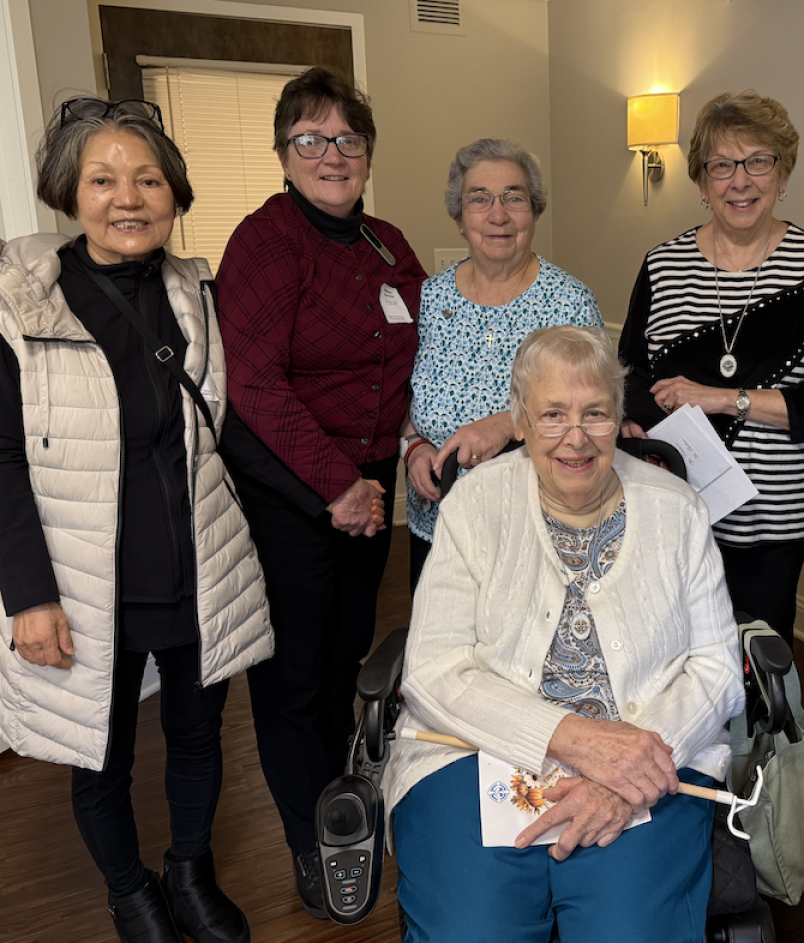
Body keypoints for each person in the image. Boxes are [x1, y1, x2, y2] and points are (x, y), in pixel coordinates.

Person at [0, 99, 272, 943]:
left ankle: (189, 871)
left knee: (197, 737)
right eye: (103, 179)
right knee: (100, 755)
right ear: (69, 193)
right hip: (88, 584)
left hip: (198, 568)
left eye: (148, 179)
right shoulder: (23, 304)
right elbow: (3, 459)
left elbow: (235, 420)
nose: (128, 198)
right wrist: (28, 595)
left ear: (174, 193)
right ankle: (129, 892)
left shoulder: (199, 294)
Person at [385, 326, 743, 942]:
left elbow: (715, 667)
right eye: (553, 414)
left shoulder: (678, 508)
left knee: (628, 933)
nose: (575, 437)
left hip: (649, 753)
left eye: (595, 413)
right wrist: (577, 740)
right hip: (473, 748)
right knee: (474, 931)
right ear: (522, 422)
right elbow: (433, 669)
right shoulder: (474, 505)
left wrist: (629, 768)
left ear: (618, 418)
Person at [215, 67, 425, 918]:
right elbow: (254, 386)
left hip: (371, 486)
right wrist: (338, 486)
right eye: (311, 138)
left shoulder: (388, 244)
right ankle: (312, 836)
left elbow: (422, 352)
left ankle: (346, 798)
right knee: (292, 676)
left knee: (347, 655)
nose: (332, 154)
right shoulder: (265, 242)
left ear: (367, 153)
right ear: (283, 152)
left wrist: (405, 454)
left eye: (348, 139)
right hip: (293, 492)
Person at [619, 90, 804, 645]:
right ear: (702, 184)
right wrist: (635, 423)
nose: (740, 181)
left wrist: (722, 398)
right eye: (722, 166)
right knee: (671, 651)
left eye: (758, 161)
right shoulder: (662, 264)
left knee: (758, 660)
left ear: (783, 174)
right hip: (676, 503)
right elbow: (628, 377)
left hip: (776, 516)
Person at [402, 138, 602, 586]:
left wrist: (509, 423)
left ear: (534, 211)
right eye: (479, 199)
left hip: (535, 535)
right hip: (437, 527)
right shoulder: (429, 299)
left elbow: (594, 415)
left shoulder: (568, 303)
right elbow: (406, 397)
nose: (498, 215)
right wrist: (413, 447)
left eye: (514, 197)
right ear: (459, 218)